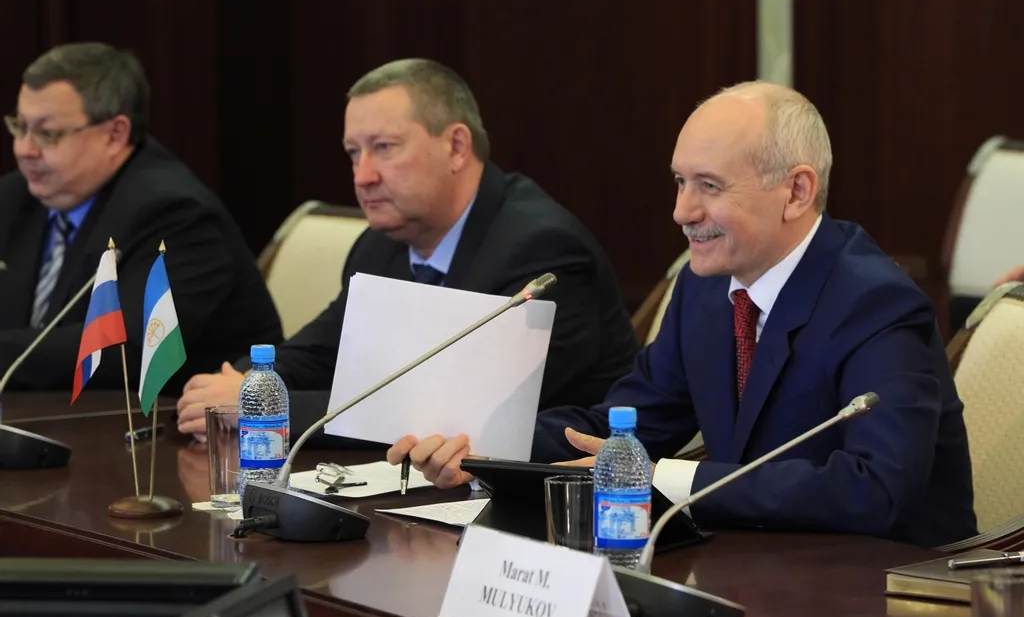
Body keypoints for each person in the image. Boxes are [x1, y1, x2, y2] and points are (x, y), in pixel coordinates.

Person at [387, 81, 978, 548]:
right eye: (679, 181)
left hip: (890, 585)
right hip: (758, 563)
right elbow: (622, 427)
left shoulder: (875, 303)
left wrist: (666, 477)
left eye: (710, 187)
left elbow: (875, 489)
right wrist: (485, 448)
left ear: (796, 192)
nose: (681, 211)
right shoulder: (707, 289)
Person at [175, 58, 638, 440]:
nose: (363, 176)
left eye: (384, 147)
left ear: (457, 146)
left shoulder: (541, 250)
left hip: (549, 495)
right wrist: (244, 383)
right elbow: (323, 351)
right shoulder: (381, 245)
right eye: (354, 153)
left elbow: (448, 410)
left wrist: (263, 405)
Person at [0, 42, 282, 392]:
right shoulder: (15, 199)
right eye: (20, 127)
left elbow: (126, 350)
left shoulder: (175, 215)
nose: (24, 149)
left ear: (115, 134)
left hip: (176, 418)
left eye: (47, 134)